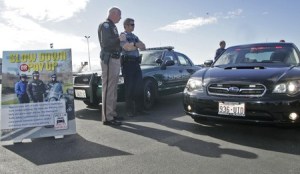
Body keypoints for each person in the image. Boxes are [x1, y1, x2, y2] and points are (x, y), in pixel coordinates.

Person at [98, 7, 122, 126]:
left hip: (115, 58)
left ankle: (112, 113)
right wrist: (119, 39)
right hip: (109, 59)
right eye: (119, 15)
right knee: (108, 88)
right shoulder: (105, 25)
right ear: (113, 14)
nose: (120, 18)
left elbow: (115, 44)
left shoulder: (112, 26)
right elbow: (106, 43)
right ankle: (107, 118)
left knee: (113, 88)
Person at [120, 18, 147, 117]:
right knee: (129, 88)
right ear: (126, 26)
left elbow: (143, 46)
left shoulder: (135, 36)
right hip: (128, 64)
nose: (133, 26)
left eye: (134, 24)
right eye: (131, 24)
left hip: (136, 64)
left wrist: (134, 45)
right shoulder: (123, 35)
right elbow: (126, 47)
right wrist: (136, 44)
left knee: (139, 87)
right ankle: (129, 111)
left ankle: (140, 109)